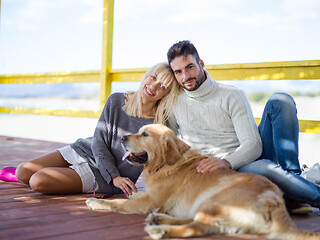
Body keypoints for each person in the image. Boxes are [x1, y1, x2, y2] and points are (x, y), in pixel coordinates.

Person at [166, 40, 320, 212]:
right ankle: (295, 193)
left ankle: (293, 182)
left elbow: (253, 144)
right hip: (217, 172)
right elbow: (165, 141)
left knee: (281, 100)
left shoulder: (231, 94)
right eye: (178, 72)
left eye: (189, 67)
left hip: (242, 159)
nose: (185, 76)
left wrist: (226, 162)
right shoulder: (174, 103)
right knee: (266, 168)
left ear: (201, 64)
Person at [15, 62, 180, 196]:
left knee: (38, 181)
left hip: (106, 176)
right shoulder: (116, 100)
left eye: (163, 87)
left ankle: (69, 175)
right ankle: (68, 173)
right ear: (147, 75)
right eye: (153, 78)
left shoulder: (158, 125)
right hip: (86, 150)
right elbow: (99, 141)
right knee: (22, 172)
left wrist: (114, 177)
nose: (153, 86)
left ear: (166, 94)